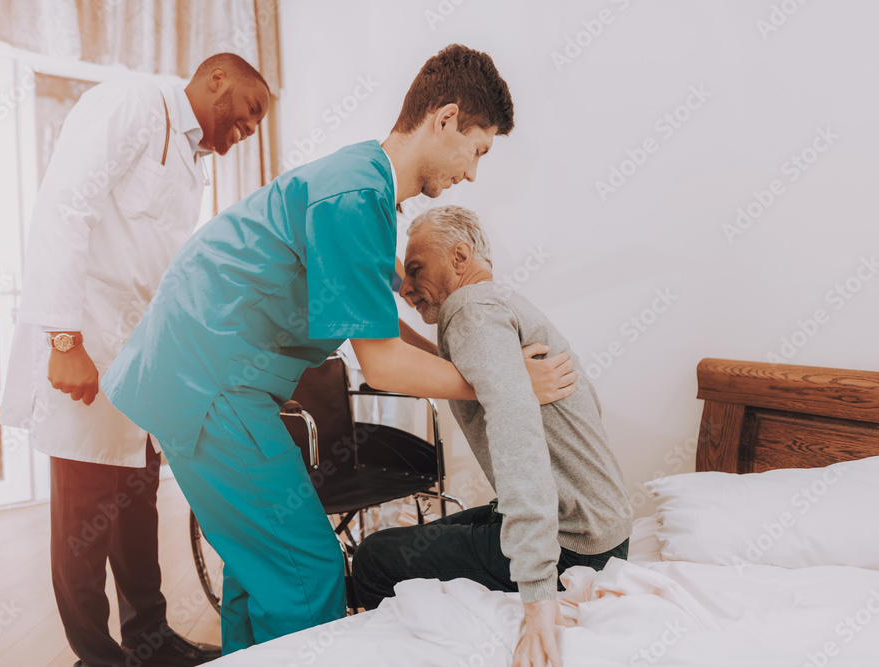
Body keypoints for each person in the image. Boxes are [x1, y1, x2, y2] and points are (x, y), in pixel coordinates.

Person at [101, 44, 577, 655]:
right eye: (478, 150)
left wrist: (459, 360)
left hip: (201, 374)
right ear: (447, 118)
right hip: (209, 381)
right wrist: (505, 380)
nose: (473, 173)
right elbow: (379, 364)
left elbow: (374, 327)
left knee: (260, 568)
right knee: (308, 569)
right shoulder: (356, 197)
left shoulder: (363, 184)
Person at [0, 53, 270, 667]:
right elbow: (64, 210)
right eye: (251, 110)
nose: (251, 128)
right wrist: (65, 341)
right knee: (85, 509)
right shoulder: (132, 103)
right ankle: (95, 656)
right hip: (87, 343)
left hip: (142, 360)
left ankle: (150, 642)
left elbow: (160, 266)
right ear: (217, 79)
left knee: (136, 500)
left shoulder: (193, 161)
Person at [352, 206, 634, 667]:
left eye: (417, 268)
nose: (405, 288)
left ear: (459, 257)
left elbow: (516, 436)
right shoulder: (497, 303)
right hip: (602, 532)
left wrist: (538, 589)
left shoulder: (469, 309)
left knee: (373, 558)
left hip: (571, 547)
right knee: (412, 541)